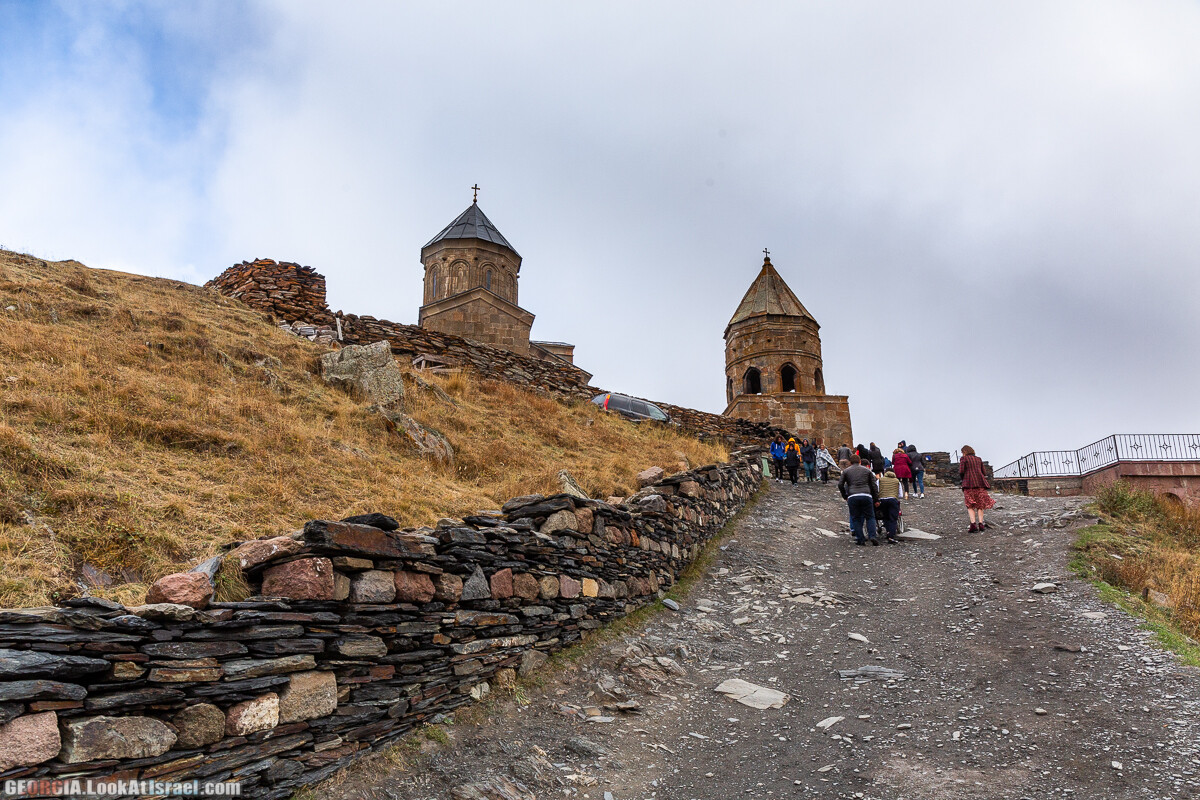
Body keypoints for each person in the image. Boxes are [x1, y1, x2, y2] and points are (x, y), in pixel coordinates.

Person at [838, 454, 879, 546]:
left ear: (850, 462)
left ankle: (860, 539)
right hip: (866, 495)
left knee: (856, 518)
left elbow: (840, 484)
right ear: (860, 461)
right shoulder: (867, 471)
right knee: (870, 517)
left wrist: (845, 496)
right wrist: (876, 499)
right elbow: (874, 486)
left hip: (853, 495)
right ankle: (872, 536)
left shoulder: (846, 471)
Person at [959, 445, 995, 532]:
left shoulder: (964, 459)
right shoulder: (978, 459)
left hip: (968, 484)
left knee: (970, 504)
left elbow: (961, 471)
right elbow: (984, 472)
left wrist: (963, 478)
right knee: (980, 504)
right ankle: (981, 524)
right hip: (980, 484)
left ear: (964, 452)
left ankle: (973, 525)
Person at [874, 464, 902, 544]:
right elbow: (900, 495)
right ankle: (891, 536)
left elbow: (877, 490)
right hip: (893, 500)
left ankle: (887, 531)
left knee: (885, 517)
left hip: (882, 500)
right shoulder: (897, 481)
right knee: (893, 518)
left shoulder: (880, 480)